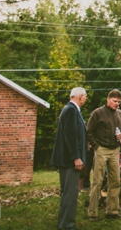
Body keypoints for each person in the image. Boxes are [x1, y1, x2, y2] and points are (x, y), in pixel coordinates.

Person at [87, 89, 121, 221]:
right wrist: (96, 146)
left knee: (115, 181)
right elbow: (89, 131)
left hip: (115, 149)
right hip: (101, 149)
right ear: (108, 99)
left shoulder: (120, 114)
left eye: (119, 102)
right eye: (115, 101)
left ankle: (112, 211)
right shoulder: (98, 113)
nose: (117, 104)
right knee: (97, 181)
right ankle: (93, 212)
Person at [51, 87, 87, 230]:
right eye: (85, 96)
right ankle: (67, 226)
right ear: (79, 96)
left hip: (67, 159)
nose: (85, 99)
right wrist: (76, 157)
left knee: (67, 194)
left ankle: (64, 223)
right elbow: (71, 136)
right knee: (70, 194)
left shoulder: (69, 110)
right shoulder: (71, 110)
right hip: (69, 161)